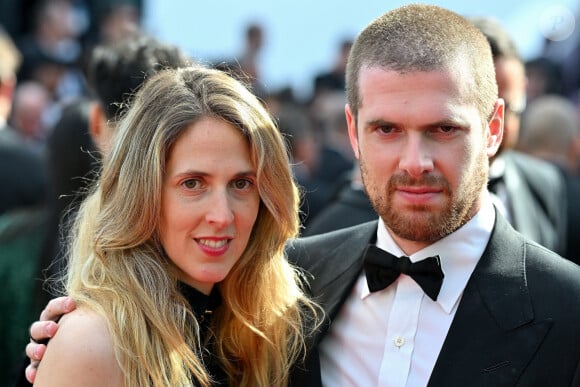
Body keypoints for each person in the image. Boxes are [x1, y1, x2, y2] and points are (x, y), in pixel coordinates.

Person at [26, 4, 580, 386]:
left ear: (493, 128)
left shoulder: (263, 296)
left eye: (443, 128)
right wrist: (81, 344)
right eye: (387, 128)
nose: (416, 161)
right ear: (353, 129)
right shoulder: (299, 278)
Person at [28, 65, 320, 386]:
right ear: (143, 194)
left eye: (241, 184)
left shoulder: (272, 329)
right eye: (193, 183)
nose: (222, 216)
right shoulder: (95, 341)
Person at [471, 16, 569, 256]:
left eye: (506, 110)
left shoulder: (546, 184)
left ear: (524, 92)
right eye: (478, 110)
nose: (490, 129)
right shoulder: (410, 187)